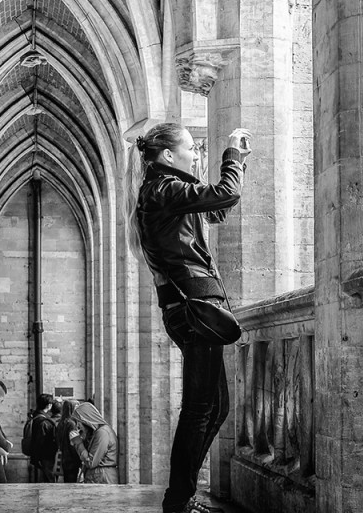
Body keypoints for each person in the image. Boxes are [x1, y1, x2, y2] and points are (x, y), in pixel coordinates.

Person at [127, 123, 251, 513]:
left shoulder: (165, 192)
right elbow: (226, 194)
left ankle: (183, 496)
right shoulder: (164, 188)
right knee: (200, 409)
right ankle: (177, 500)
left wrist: (239, 163)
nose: (196, 154)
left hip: (190, 305)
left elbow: (216, 210)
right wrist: (230, 155)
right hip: (194, 306)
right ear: (167, 155)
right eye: (191, 148)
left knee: (216, 407)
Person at [68, 401, 119, 484]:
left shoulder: (102, 432)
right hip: (98, 476)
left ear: (86, 420)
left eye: (79, 422)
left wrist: (78, 442)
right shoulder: (98, 432)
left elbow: (91, 462)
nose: (78, 426)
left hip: (103, 478)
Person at [28, 393, 57, 482]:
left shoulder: (35, 417)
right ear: (49, 405)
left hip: (40, 457)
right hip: (45, 457)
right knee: (50, 480)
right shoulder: (44, 421)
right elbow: (40, 441)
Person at [57, 398, 82, 483]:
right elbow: (74, 443)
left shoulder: (61, 423)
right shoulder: (71, 424)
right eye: (76, 407)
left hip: (65, 459)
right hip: (72, 460)